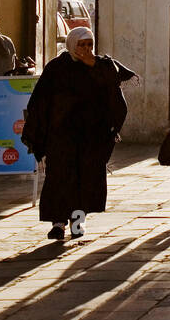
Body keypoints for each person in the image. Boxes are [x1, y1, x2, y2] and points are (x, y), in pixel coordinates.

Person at [20, 27, 131, 241]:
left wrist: (94, 67)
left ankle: (78, 223)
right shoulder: (57, 67)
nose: (86, 49)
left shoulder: (103, 66)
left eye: (90, 44)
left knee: (85, 181)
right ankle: (58, 224)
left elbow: (115, 95)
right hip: (61, 135)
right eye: (82, 45)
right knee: (59, 178)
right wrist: (39, 132)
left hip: (91, 136)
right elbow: (40, 101)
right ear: (72, 44)